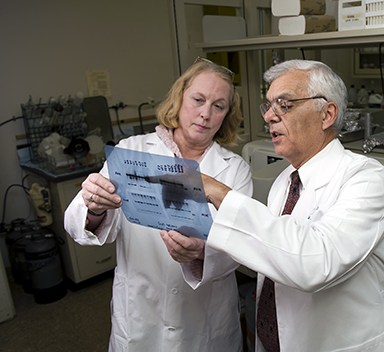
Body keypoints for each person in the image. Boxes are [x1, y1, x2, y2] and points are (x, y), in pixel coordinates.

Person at [161, 59, 384, 352]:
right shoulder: (285, 182)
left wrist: (218, 192)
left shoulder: (366, 179)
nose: (269, 116)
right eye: (268, 105)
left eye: (284, 104)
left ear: (327, 114)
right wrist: (199, 251)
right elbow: (273, 255)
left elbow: (315, 264)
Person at [64, 57, 253, 352]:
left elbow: (241, 243)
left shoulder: (235, 169)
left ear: (227, 115)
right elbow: (86, 224)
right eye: (198, 99)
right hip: (142, 314)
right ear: (179, 99)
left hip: (204, 318)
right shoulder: (131, 151)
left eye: (218, 106)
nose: (205, 113)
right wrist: (96, 206)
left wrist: (203, 252)